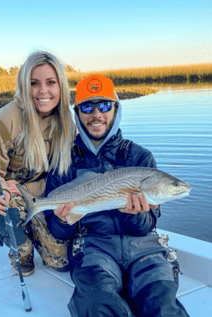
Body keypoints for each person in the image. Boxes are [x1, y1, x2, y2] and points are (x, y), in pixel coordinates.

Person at [44, 74, 190, 316]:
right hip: (93, 247)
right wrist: (61, 220)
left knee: (162, 305)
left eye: (104, 105)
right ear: (77, 112)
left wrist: (133, 215)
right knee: (96, 302)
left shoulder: (140, 157)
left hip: (145, 248)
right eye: (87, 106)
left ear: (115, 108)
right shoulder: (64, 162)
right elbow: (57, 231)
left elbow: (147, 226)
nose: (96, 114)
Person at [0, 51, 76, 276]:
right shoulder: (7, 119)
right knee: (10, 208)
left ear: (61, 87)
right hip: (7, 195)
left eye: (51, 83)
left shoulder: (66, 121)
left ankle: (27, 225)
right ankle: (19, 249)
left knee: (61, 262)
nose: (43, 91)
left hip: (41, 194)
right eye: (34, 83)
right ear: (24, 86)